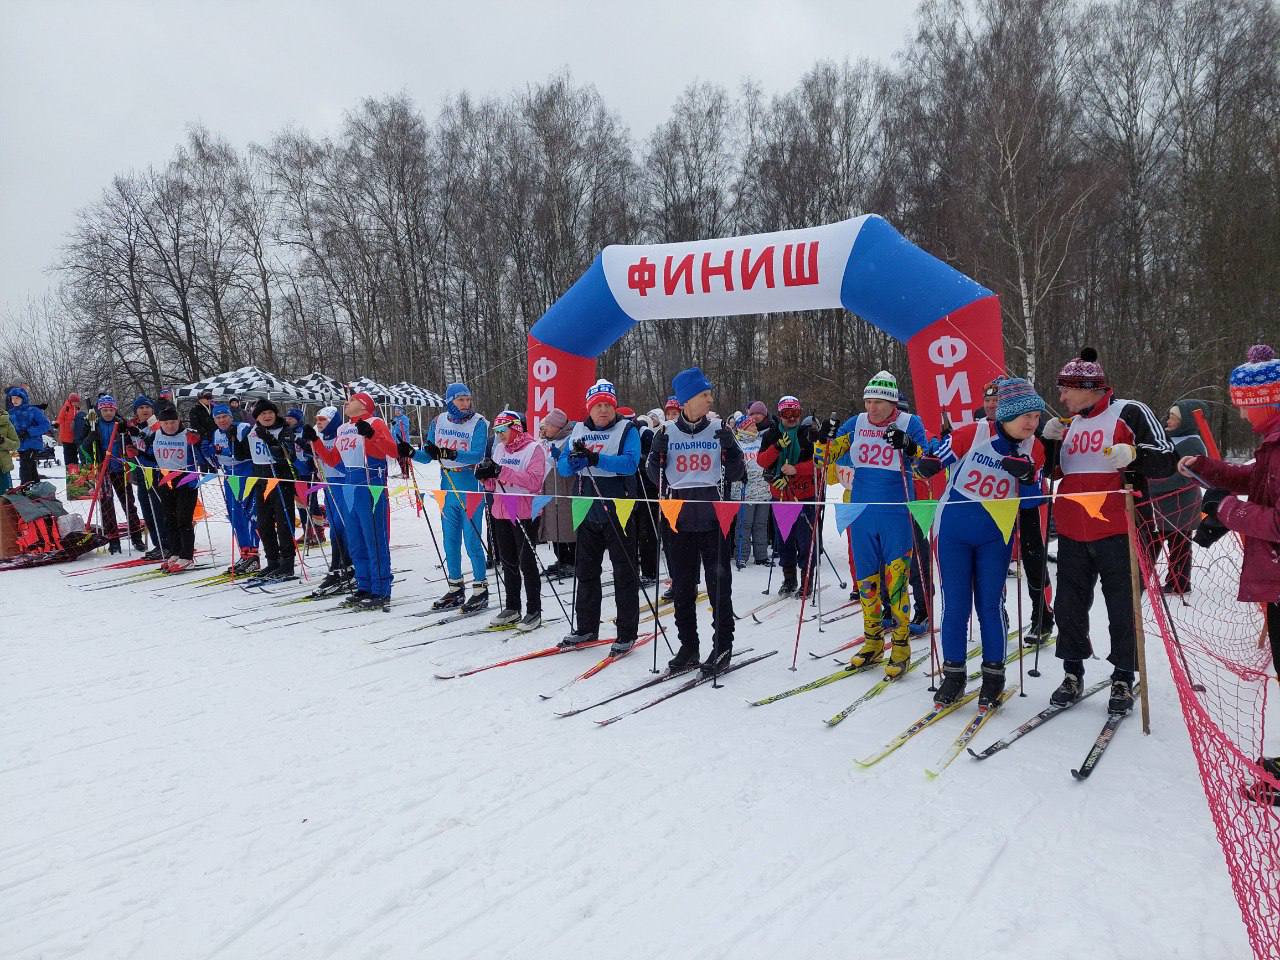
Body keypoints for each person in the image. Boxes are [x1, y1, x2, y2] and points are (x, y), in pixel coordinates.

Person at [1041, 347, 1176, 714]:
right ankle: (1072, 672)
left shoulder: (1129, 411)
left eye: (1066, 390)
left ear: (1088, 388)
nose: (1061, 397)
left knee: (1122, 606)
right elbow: (1046, 472)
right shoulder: (1066, 425)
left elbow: (1166, 459)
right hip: (1071, 530)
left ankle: (1122, 676)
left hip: (1121, 529)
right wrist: (1045, 442)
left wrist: (1134, 455)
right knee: (1069, 605)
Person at [1178, 344, 1280, 783]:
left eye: (1243, 405)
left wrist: (1226, 511)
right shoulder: (1272, 445)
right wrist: (1208, 469)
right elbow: (1255, 479)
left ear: (1263, 402)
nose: (1239, 415)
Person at [919, 378, 1048, 707]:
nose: (1032, 424)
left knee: (990, 606)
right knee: (955, 605)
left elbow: (1033, 503)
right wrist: (927, 464)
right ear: (1006, 414)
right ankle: (954, 675)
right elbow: (935, 458)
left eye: (1036, 417)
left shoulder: (1035, 447)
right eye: (1026, 417)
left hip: (996, 535)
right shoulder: (973, 433)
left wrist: (1028, 478)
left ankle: (993, 676)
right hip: (953, 532)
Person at [826, 371, 928, 676]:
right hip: (861, 513)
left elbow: (926, 467)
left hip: (895, 513)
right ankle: (872, 642)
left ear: (892, 402)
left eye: (878, 403)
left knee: (896, 582)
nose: (872, 408)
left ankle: (900, 646)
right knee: (867, 582)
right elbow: (827, 457)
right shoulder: (856, 423)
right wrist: (820, 438)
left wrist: (909, 446)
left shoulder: (910, 423)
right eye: (868, 401)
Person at [646, 367, 745, 673]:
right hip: (679, 522)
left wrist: (730, 447)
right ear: (688, 400)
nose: (710, 399)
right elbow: (655, 477)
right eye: (705, 395)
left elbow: (738, 474)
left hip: (714, 520)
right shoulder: (665, 433)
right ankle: (689, 646)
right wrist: (655, 456)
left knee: (719, 587)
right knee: (683, 589)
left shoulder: (718, 429)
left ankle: (723, 645)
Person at [559, 378, 642, 653]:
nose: (603, 410)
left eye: (608, 405)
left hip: (618, 508)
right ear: (589, 408)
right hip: (586, 509)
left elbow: (630, 463)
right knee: (586, 572)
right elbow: (563, 467)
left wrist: (596, 459)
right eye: (598, 406)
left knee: (624, 573)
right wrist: (572, 462)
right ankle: (585, 627)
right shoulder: (579, 430)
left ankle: (626, 631)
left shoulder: (626, 428)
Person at [309, 391, 397, 610]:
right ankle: (364, 585)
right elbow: (335, 462)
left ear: (364, 405)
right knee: (355, 539)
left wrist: (372, 435)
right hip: (350, 485)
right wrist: (315, 443)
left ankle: (381, 589)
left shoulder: (375, 422)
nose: (346, 403)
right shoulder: (342, 428)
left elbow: (393, 451)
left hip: (370, 484)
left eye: (352, 401)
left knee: (373, 538)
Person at [416, 382, 490, 611]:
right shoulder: (438, 421)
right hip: (447, 483)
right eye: (460, 400)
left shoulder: (479, 422)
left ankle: (480, 588)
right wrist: (409, 452)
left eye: (468, 399)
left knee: (471, 539)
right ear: (450, 401)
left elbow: (477, 453)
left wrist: (449, 453)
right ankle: (455, 587)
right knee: (450, 540)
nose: (466, 404)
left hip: (470, 483)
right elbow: (428, 455)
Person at [475, 410, 548, 631]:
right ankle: (512, 606)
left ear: (515, 428)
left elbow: (534, 482)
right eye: (496, 431)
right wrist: (486, 476)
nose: (499, 435)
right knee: (507, 561)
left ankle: (533, 610)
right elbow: (493, 482)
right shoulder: (498, 449)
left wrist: (501, 471)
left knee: (526, 562)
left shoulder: (534, 449)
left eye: (502, 430)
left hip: (524, 512)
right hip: (500, 510)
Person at [1142, 399, 1208, 595]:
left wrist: (1150, 483)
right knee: (1152, 541)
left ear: (1185, 421)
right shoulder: (1167, 438)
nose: (1168, 420)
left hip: (1182, 503)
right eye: (1170, 416)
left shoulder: (1192, 443)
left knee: (1179, 545)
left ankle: (1179, 582)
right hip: (1161, 504)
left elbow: (1182, 476)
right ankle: (1140, 577)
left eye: (1174, 417)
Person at [757, 396, 822, 596]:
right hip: (782, 495)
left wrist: (796, 469)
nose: (791, 418)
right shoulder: (771, 434)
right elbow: (761, 461)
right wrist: (776, 448)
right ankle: (789, 578)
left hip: (804, 495)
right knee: (784, 540)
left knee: (805, 541)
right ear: (780, 414)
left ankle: (807, 579)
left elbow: (819, 465)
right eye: (787, 414)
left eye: (795, 414)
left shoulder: (808, 434)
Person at [142, 402, 205, 572]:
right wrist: (135, 453)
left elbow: (203, 457)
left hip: (186, 479)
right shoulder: (155, 436)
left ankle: (187, 556)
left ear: (179, 422)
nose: (170, 426)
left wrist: (197, 444)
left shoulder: (188, 434)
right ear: (160, 424)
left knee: (183, 519)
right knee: (169, 518)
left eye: (173, 422)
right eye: (166, 423)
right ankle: (175, 553)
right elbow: (147, 458)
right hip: (165, 479)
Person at [247, 399, 300, 583]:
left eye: (270, 413)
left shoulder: (284, 430)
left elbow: (287, 455)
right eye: (262, 414)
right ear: (257, 417)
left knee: (284, 523)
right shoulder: (252, 431)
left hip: (280, 479)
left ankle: (287, 563)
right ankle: (272, 560)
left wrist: (269, 438)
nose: (267, 416)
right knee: (263, 524)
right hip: (260, 480)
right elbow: (241, 454)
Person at [85, 395, 146, 554]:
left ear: (115, 410)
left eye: (110, 410)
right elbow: (83, 447)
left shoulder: (121, 424)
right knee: (107, 506)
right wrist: (91, 454)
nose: (108, 413)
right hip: (103, 470)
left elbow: (134, 438)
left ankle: (136, 537)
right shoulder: (94, 425)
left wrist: (129, 433)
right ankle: (113, 540)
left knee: (128, 504)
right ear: (100, 410)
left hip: (120, 469)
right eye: (104, 410)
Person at [205, 402, 260, 574]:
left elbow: (251, 449)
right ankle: (244, 553)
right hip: (230, 476)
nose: (222, 421)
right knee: (235, 516)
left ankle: (253, 555)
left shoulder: (242, 427)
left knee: (248, 514)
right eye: (218, 418)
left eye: (224, 417)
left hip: (246, 473)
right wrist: (207, 453)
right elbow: (214, 459)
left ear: (230, 416)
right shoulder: (215, 433)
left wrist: (236, 448)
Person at [305, 405, 352, 594]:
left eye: (322, 420)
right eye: (317, 420)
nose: (318, 423)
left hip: (343, 484)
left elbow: (340, 464)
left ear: (332, 420)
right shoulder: (321, 437)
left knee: (343, 526)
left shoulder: (341, 436)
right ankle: (337, 565)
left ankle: (348, 566)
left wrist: (317, 445)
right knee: (333, 527)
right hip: (329, 483)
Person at [125, 396, 168, 560]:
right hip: (142, 472)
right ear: (136, 411)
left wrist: (141, 438)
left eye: (147, 407)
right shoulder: (133, 426)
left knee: (158, 508)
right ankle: (158, 544)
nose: (145, 410)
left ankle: (166, 544)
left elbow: (155, 446)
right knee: (146, 508)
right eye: (141, 408)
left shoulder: (157, 424)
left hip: (157, 472)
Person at [536, 408, 577, 579]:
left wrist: (560, 457)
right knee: (551, 525)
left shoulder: (570, 439)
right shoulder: (545, 440)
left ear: (558, 427)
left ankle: (573, 561)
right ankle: (561, 559)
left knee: (567, 524)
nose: (544, 429)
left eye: (547, 426)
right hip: (548, 489)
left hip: (564, 488)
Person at [733, 413, 771, 567]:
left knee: (761, 524)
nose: (755, 427)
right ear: (744, 427)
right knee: (744, 524)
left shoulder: (762, 441)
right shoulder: (737, 444)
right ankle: (741, 555)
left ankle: (761, 556)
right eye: (752, 425)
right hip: (745, 490)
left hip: (762, 490)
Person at [6, 386, 51, 485]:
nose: (14, 401)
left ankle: (25, 488)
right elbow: (7, 428)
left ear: (23, 398)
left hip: (32, 444)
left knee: (25, 467)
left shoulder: (33, 411)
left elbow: (46, 425)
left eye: (17, 398)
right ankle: (36, 487)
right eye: (12, 398)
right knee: (30, 467)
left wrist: (29, 432)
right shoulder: (11, 413)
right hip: (20, 445)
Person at [54, 392, 81, 476]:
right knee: (68, 454)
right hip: (66, 436)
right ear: (71, 401)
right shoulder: (66, 408)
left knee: (74, 455)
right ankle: (70, 470)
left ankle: (75, 470)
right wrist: (57, 423)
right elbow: (60, 417)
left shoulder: (77, 410)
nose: (76, 403)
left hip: (74, 436)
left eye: (77, 401)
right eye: (75, 401)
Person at [0, 403, 18, 494]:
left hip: (2, 469)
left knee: (5, 498)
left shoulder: (6, 423)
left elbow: (16, 444)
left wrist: (3, 441)